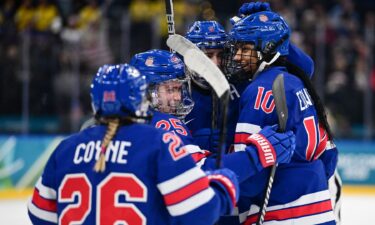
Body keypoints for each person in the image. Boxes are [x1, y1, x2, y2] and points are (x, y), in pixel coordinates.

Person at [27, 63, 240, 225]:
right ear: (140, 98)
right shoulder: (159, 141)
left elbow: (39, 214)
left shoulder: (65, 149)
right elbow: (201, 212)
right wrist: (223, 186)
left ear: (95, 101)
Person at [221, 10, 337, 224]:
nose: (237, 56)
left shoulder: (259, 91)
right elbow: (329, 157)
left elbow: (249, 182)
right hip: (320, 209)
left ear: (268, 49)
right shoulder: (298, 83)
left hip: (279, 213)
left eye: (245, 49)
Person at [130, 49, 296, 181]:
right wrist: (259, 152)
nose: (178, 97)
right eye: (170, 89)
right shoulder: (165, 124)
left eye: (179, 89)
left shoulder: (120, 122)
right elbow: (201, 176)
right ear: (146, 90)